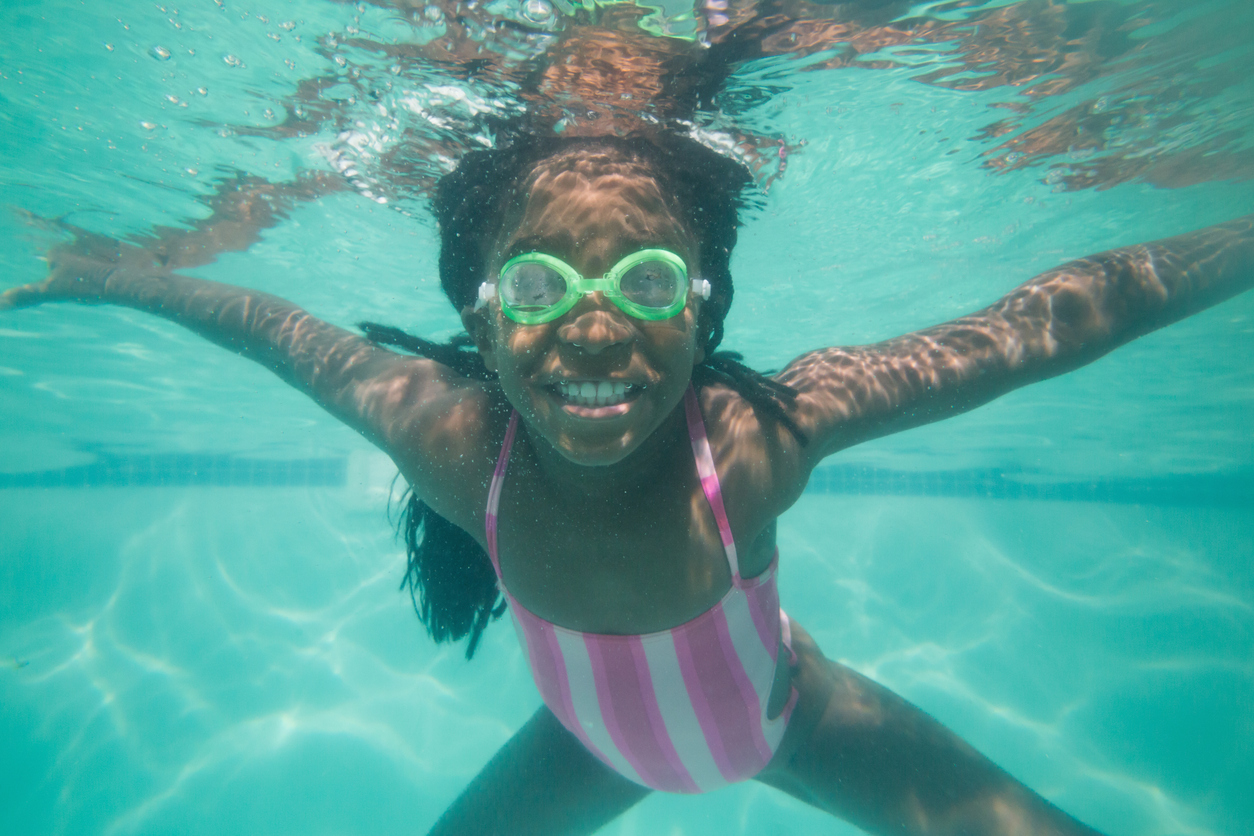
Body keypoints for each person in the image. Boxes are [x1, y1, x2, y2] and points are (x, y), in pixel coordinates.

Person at [3, 127, 1251, 836]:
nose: (592, 332)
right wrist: (116, 272)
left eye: (648, 281)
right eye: (541, 290)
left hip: (792, 718)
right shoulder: (456, 449)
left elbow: (1053, 324)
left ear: (703, 316)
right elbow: (272, 328)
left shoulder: (754, 444)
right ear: (484, 327)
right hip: (587, 747)